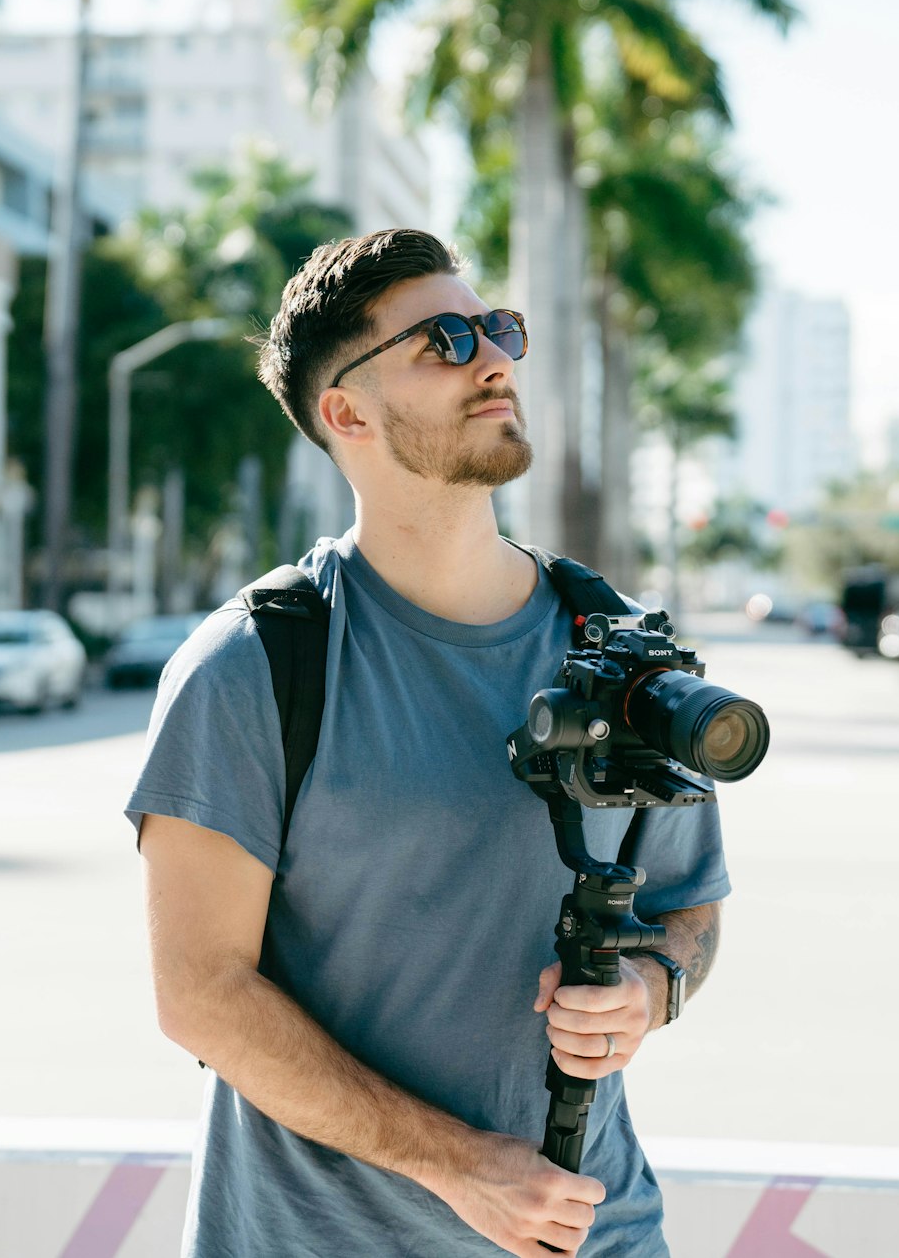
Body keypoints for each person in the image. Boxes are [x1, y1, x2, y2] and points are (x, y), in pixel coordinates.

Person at [126, 228, 728, 1258]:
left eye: (496, 328)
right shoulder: (250, 669)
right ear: (346, 411)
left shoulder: (620, 649)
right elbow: (202, 996)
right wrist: (460, 1165)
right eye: (443, 340)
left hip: (598, 1233)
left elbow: (687, 907)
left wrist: (649, 989)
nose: (493, 357)